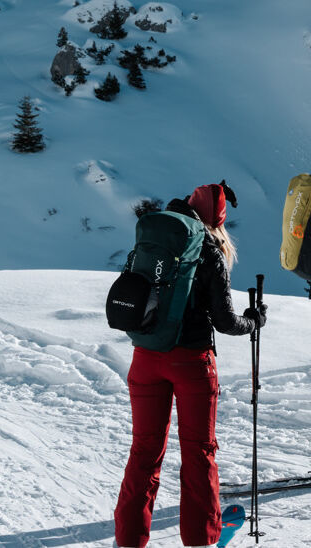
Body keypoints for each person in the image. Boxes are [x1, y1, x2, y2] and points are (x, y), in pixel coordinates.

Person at [115, 182, 263, 548]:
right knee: (199, 451)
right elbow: (225, 322)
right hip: (192, 363)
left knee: (144, 451)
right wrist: (255, 321)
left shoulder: (156, 240)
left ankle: (128, 540)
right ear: (218, 220)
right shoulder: (208, 249)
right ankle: (201, 538)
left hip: (146, 358)